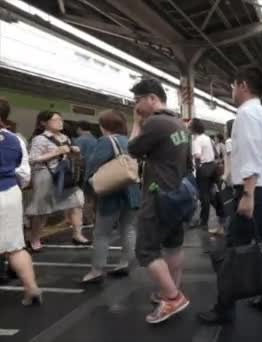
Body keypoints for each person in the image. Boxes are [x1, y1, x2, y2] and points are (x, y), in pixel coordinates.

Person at [198, 67, 262, 325]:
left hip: (254, 191)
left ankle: (224, 309)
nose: (232, 91)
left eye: (233, 86)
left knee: (232, 252)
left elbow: (251, 157)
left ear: (243, 85)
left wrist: (247, 194)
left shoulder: (246, 114)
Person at [128, 79, 191, 324]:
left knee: (146, 249)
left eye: (138, 101)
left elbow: (132, 148)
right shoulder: (179, 124)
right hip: (178, 193)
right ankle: (170, 289)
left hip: (157, 194)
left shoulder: (154, 122)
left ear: (152, 98)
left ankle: (173, 298)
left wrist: (135, 123)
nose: (137, 107)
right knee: (173, 244)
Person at [80, 110, 140, 284]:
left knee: (101, 233)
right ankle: (125, 262)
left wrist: (87, 187)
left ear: (104, 126)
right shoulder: (129, 141)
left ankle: (96, 271)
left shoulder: (106, 141)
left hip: (112, 193)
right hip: (132, 191)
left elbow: (92, 165)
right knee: (128, 228)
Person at [26, 111, 89, 251]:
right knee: (42, 209)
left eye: (61, 119)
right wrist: (56, 152)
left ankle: (77, 235)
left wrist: (75, 153)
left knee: (77, 201)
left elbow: (71, 158)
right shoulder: (39, 139)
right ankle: (34, 239)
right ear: (44, 122)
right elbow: (32, 159)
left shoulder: (65, 137)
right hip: (44, 174)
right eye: (55, 120)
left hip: (64, 174)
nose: (60, 122)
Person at [0, 99, 42, 306]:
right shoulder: (16, 140)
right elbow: (24, 175)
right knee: (15, 247)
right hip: (10, 193)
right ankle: (31, 288)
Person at [190, 119, 224, 234]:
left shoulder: (196, 140)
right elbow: (216, 154)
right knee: (215, 191)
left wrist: (197, 167)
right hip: (213, 166)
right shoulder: (207, 138)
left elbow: (198, 155)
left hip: (203, 168)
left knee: (204, 195)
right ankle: (222, 212)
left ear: (193, 128)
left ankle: (204, 221)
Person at [74, 121, 98, 226]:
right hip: (96, 172)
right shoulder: (97, 140)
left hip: (82, 172)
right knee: (93, 197)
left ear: (80, 128)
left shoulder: (78, 141)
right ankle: (94, 217)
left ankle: (85, 218)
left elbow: (76, 158)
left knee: (82, 196)